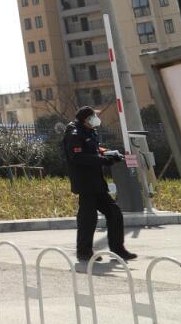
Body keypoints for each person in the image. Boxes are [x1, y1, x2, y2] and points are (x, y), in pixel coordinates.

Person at [64, 106, 137, 265]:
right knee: (88, 218)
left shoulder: (89, 131)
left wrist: (109, 153)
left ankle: (118, 249)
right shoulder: (74, 134)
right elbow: (78, 157)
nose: (96, 119)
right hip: (85, 183)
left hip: (96, 182)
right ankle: (84, 252)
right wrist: (103, 160)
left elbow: (94, 149)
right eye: (93, 117)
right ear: (86, 119)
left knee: (114, 213)